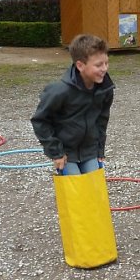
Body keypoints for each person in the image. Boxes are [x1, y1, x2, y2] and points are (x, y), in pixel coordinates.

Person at [31, 34, 115, 175]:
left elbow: (102, 120)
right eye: (98, 65)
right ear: (80, 65)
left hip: (89, 151)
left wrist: (100, 149)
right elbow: (40, 121)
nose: (104, 69)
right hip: (66, 153)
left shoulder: (105, 89)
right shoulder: (60, 91)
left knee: (92, 190)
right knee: (74, 191)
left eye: (106, 63)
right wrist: (56, 153)